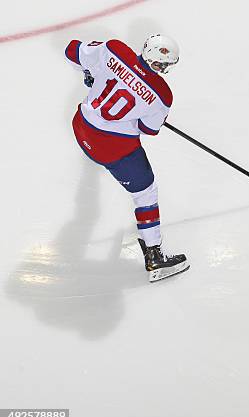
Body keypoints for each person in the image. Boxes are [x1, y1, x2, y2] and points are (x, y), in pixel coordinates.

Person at [65, 34, 189, 282]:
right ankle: (155, 256)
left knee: (99, 144)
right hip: (111, 149)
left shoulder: (114, 50)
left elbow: (72, 51)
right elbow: (148, 130)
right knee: (145, 192)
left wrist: (92, 72)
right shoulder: (163, 95)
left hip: (82, 129)